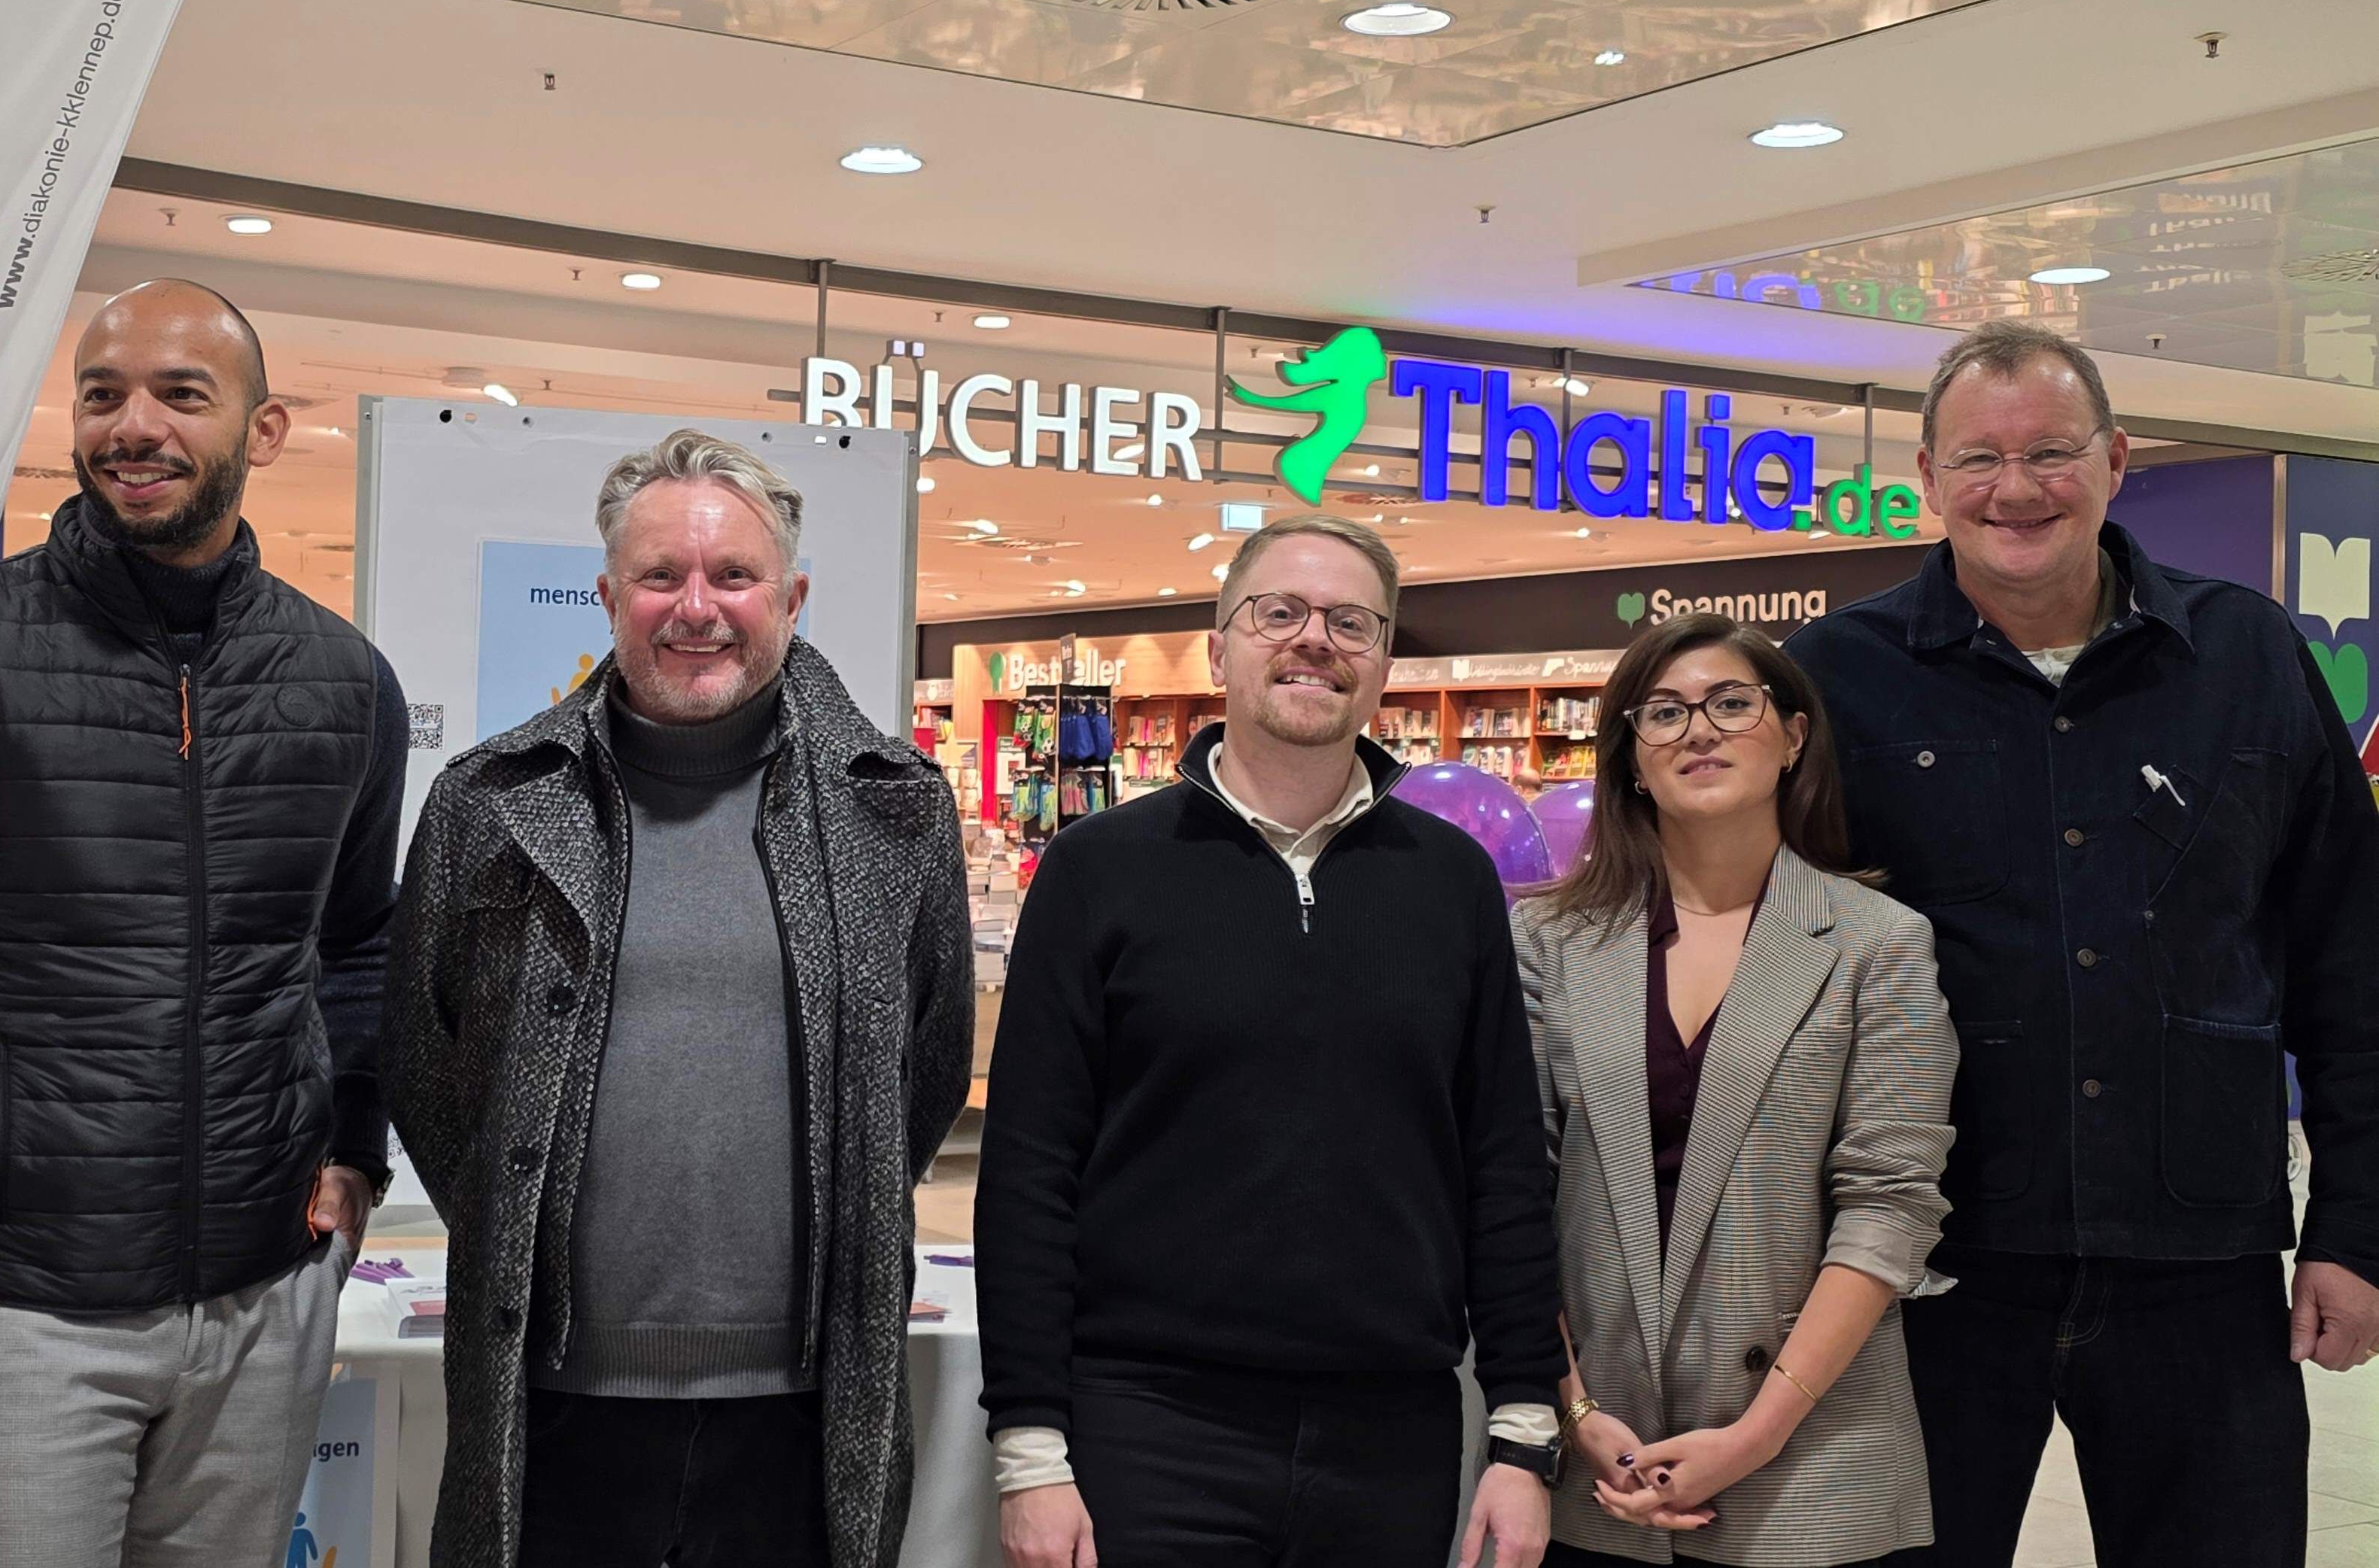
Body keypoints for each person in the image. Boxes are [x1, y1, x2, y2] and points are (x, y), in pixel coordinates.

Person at [0, 280, 409, 1566]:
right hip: (26, 1321)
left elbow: (353, 946)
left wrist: (353, 1151)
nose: (136, 425)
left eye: (182, 394)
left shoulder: (347, 681)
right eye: (104, 391)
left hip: (262, 1310)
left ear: (263, 429)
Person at [1785, 319, 2379, 1567]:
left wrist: (2357, 1225)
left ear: (2114, 461)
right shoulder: (1836, 675)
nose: (2017, 487)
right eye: (1979, 459)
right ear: (1928, 481)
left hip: (2200, 1257)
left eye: (2051, 451)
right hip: (1926, 1264)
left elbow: (2351, 951)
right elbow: (1767, 962)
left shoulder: (2249, 652)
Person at [389, 429, 975, 1568]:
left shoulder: (895, 813)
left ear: (792, 596)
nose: (695, 607)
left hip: (805, 1414)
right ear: (609, 595)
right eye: (661, 576)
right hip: (554, 1403)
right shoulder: (490, 803)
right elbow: (426, 1065)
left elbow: (928, 1071)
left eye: (733, 576)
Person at [977, 512, 1565, 1568]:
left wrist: (1524, 1431)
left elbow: (1505, 1166)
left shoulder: (1451, 882)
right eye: (1278, 612)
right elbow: (1028, 1172)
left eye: (1351, 621)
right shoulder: (1100, 869)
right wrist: (1030, 1449)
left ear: (1382, 659)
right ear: (1220, 645)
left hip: (1394, 1434)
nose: (1314, 640)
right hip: (1148, 1427)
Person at [1513, 612, 1957, 1566]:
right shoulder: (1547, 941)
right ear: (1631, 758)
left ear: (1792, 735)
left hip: (1810, 1454)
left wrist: (1753, 1435)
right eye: (1662, 713)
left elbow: (1888, 1206)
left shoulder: (1878, 943)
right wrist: (1575, 1405)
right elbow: (1512, 1191)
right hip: (1596, 1451)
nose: (1698, 731)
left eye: (1729, 702)